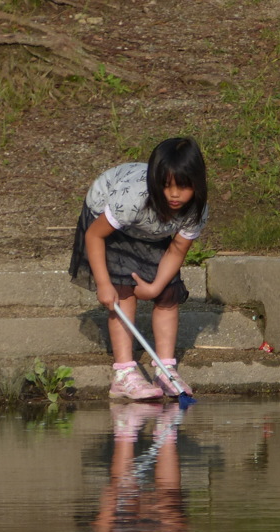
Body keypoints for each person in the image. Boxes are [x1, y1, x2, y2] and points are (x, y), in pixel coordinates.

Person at [70, 137, 209, 400]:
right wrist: (103, 284)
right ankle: (124, 374)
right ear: (155, 183)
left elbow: (177, 250)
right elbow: (94, 236)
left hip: (153, 229)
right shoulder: (133, 198)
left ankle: (165, 369)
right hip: (109, 220)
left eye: (183, 187)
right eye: (166, 186)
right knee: (122, 290)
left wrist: (155, 286)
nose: (174, 195)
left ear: (197, 185)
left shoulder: (196, 211)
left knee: (168, 294)